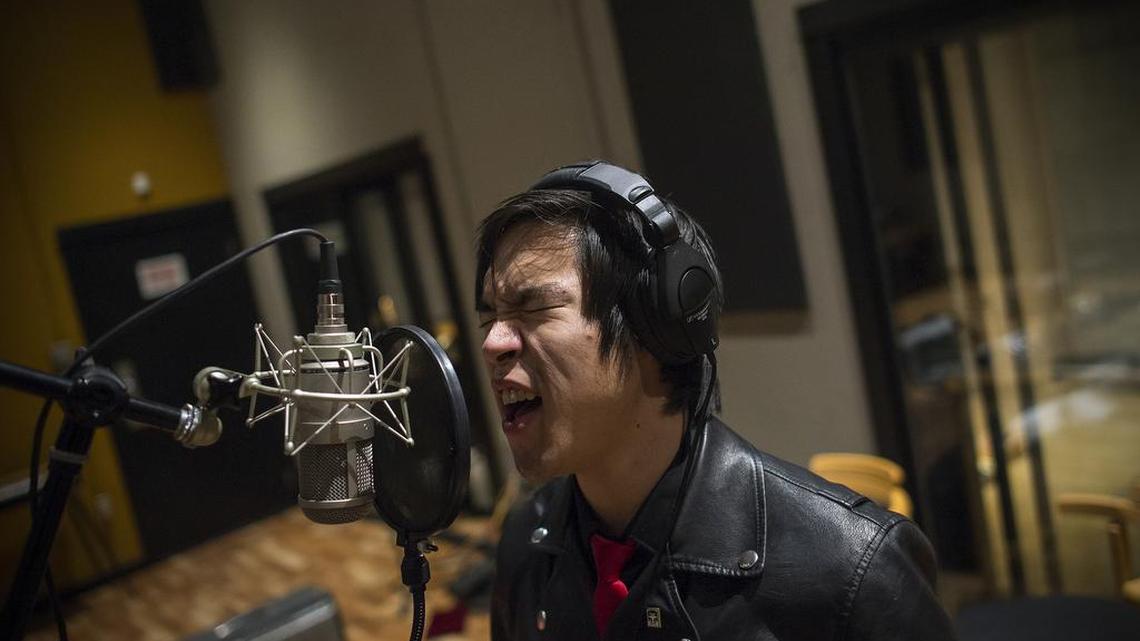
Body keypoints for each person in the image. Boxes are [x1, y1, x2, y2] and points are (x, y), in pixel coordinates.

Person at [477, 161, 956, 640]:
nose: (492, 343)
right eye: (491, 317)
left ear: (654, 329)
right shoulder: (526, 545)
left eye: (533, 307)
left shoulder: (852, 571)